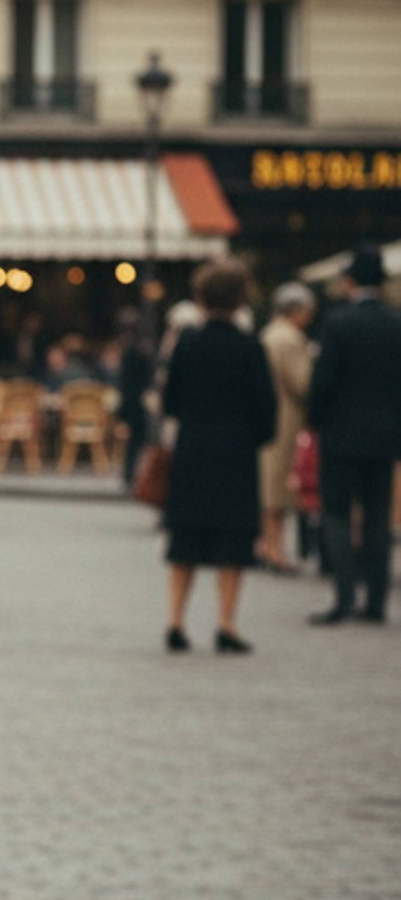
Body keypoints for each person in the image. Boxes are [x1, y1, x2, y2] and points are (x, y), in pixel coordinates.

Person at [161, 258, 277, 653]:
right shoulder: (249, 348)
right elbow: (266, 410)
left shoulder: (187, 344)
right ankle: (226, 623)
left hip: (193, 448)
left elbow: (170, 401)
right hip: (235, 453)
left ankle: (175, 618)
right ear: (241, 299)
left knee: (185, 540)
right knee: (233, 542)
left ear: (201, 297)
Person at [308, 244, 401, 625]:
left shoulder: (336, 323)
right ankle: (377, 601)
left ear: (349, 282)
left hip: (341, 434)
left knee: (337, 513)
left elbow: (323, 381)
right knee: (379, 516)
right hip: (386, 436)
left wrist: (316, 422)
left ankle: (344, 595)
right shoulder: (396, 324)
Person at [257, 281, 316, 573]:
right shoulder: (290, 339)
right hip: (286, 420)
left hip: (269, 417)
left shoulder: (269, 334)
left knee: (271, 487)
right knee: (279, 488)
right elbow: (303, 383)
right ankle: (274, 548)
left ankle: (269, 544)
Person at [115, 314, 155, 490]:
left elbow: (125, 380)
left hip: (133, 399)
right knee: (137, 440)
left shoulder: (131, 350)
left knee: (135, 440)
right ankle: (133, 474)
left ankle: (131, 474)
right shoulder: (142, 349)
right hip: (139, 399)